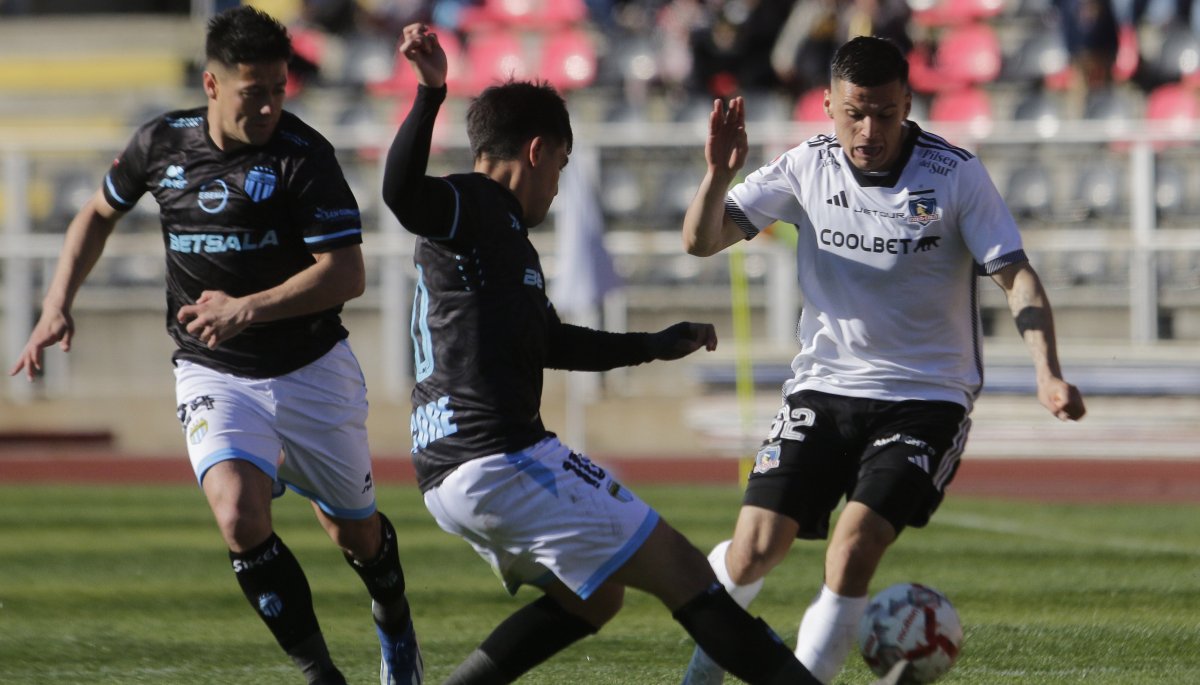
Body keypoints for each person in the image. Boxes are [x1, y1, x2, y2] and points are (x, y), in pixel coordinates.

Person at [382, 22, 905, 685]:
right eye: (563, 169)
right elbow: (401, 192)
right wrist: (431, 92)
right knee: (683, 568)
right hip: (498, 456)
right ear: (539, 152)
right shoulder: (476, 203)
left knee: (595, 595)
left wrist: (653, 345)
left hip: (447, 467)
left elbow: (550, 342)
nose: (558, 188)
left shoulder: (498, 235)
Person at [9, 7, 422, 685]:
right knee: (237, 511)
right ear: (211, 85)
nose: (267, 106)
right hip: (213, 371)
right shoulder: (160, 144)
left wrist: (248, 308)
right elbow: (96, 214)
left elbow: (347, 273)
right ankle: (323, 673)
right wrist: (56, 303)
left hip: (311, 369)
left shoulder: (302, 155)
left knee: (356, 534)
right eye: (251, 92)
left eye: (278, 90)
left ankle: (392, 615)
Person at [679, 36, 1088, 685]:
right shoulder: (805, 167)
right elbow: (701, 241)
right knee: (755, 550)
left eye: (885, 113)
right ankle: (702, 672)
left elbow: (1019, 279)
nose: (869, 130)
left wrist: (1048, 370)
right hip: (822, 387)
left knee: (853, 547)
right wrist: (718, 174)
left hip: (927, 396)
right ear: (828, 104)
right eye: (854, 113)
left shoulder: (954, 175)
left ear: (908, 104)